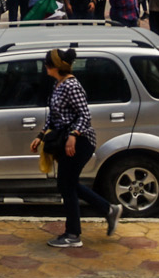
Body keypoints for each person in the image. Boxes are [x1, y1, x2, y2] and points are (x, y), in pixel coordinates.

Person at [30, 45, 117, 247]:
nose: (45, 67)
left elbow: (85, 115)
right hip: (65, 141)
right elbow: (54, 117)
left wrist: (73, 135)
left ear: (54, 66)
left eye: (47, 64)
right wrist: (41, 136)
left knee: (66, 184)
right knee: (68, 183)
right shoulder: (58, 85)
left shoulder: (72, 86)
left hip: (81, 142)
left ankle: (73, 234)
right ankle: (108, 210)